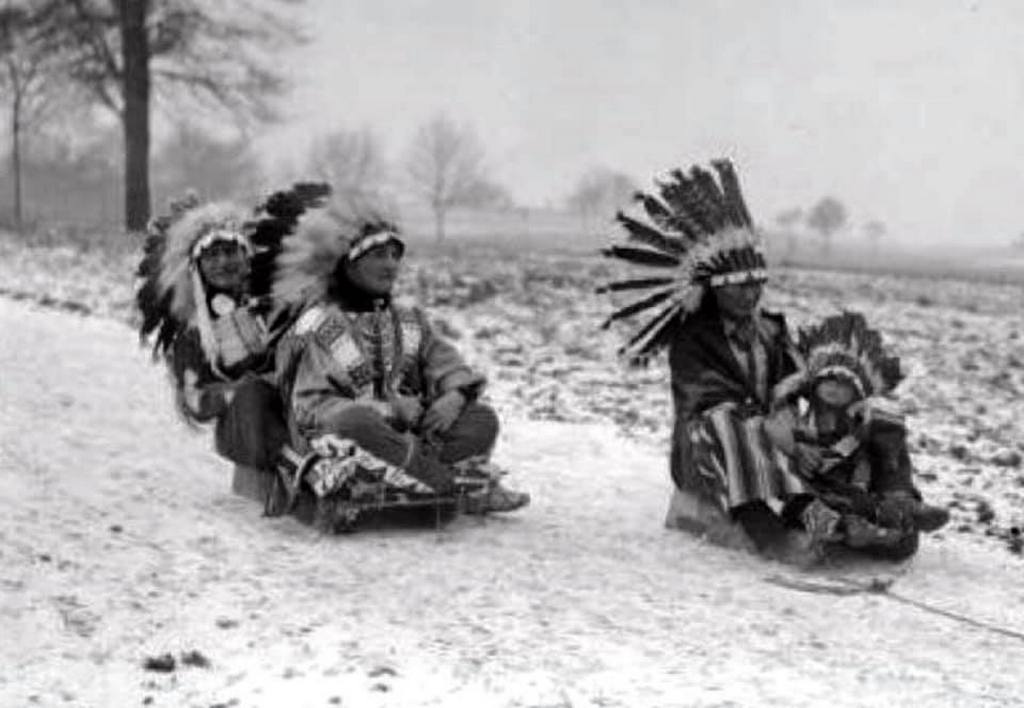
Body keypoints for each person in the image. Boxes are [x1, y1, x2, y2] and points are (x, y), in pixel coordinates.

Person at [598, 159, 880, 563]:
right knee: (732, 426)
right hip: (711, 449)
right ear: (713, 290)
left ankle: (850, 518)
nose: (750, 297)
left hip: (770, 438)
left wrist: (799, 433)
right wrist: (775, 431)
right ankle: (772, 537)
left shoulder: (770, 329)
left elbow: (789, 389)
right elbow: (708, 401)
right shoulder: (693, 340)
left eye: (757, 286)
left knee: (833, 430)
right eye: (739, 289)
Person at [271, 198, 530, 525]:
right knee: (354, 423)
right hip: (348, 437)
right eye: (379, 255)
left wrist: (455, 396)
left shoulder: (409, 320)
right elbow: (310, 407)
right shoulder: (318, 325)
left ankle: (424, 479)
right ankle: (450, 485)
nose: (391, 265)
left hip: (411, 438)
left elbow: (448, 366)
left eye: (395, 255)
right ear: (348, 264)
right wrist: (388, 411)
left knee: (480, 418)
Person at [135, 185, 328, 474]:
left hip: (298, 409)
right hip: (246, 427)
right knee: (253, 391)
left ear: (245, 255)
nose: (223, 262)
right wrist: (233, 392)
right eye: (211, 256)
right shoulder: (192, 333)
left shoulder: (273, 303)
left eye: (230, 252)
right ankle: (306, 471)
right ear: (196, 268)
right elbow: (194, 402)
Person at [769, 311, 949, 559]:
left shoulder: (863, 423)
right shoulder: (796, 417)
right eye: (829, 379)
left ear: (857, 394)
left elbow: (884, 462)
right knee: (804, 509)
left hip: (856, 494)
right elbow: (778, 457)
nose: (835, 388)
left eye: (845, 384)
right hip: (810, 496)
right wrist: (797, 450)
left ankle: (898, 506)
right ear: (813, 382)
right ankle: (848, 529)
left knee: (902, 538)